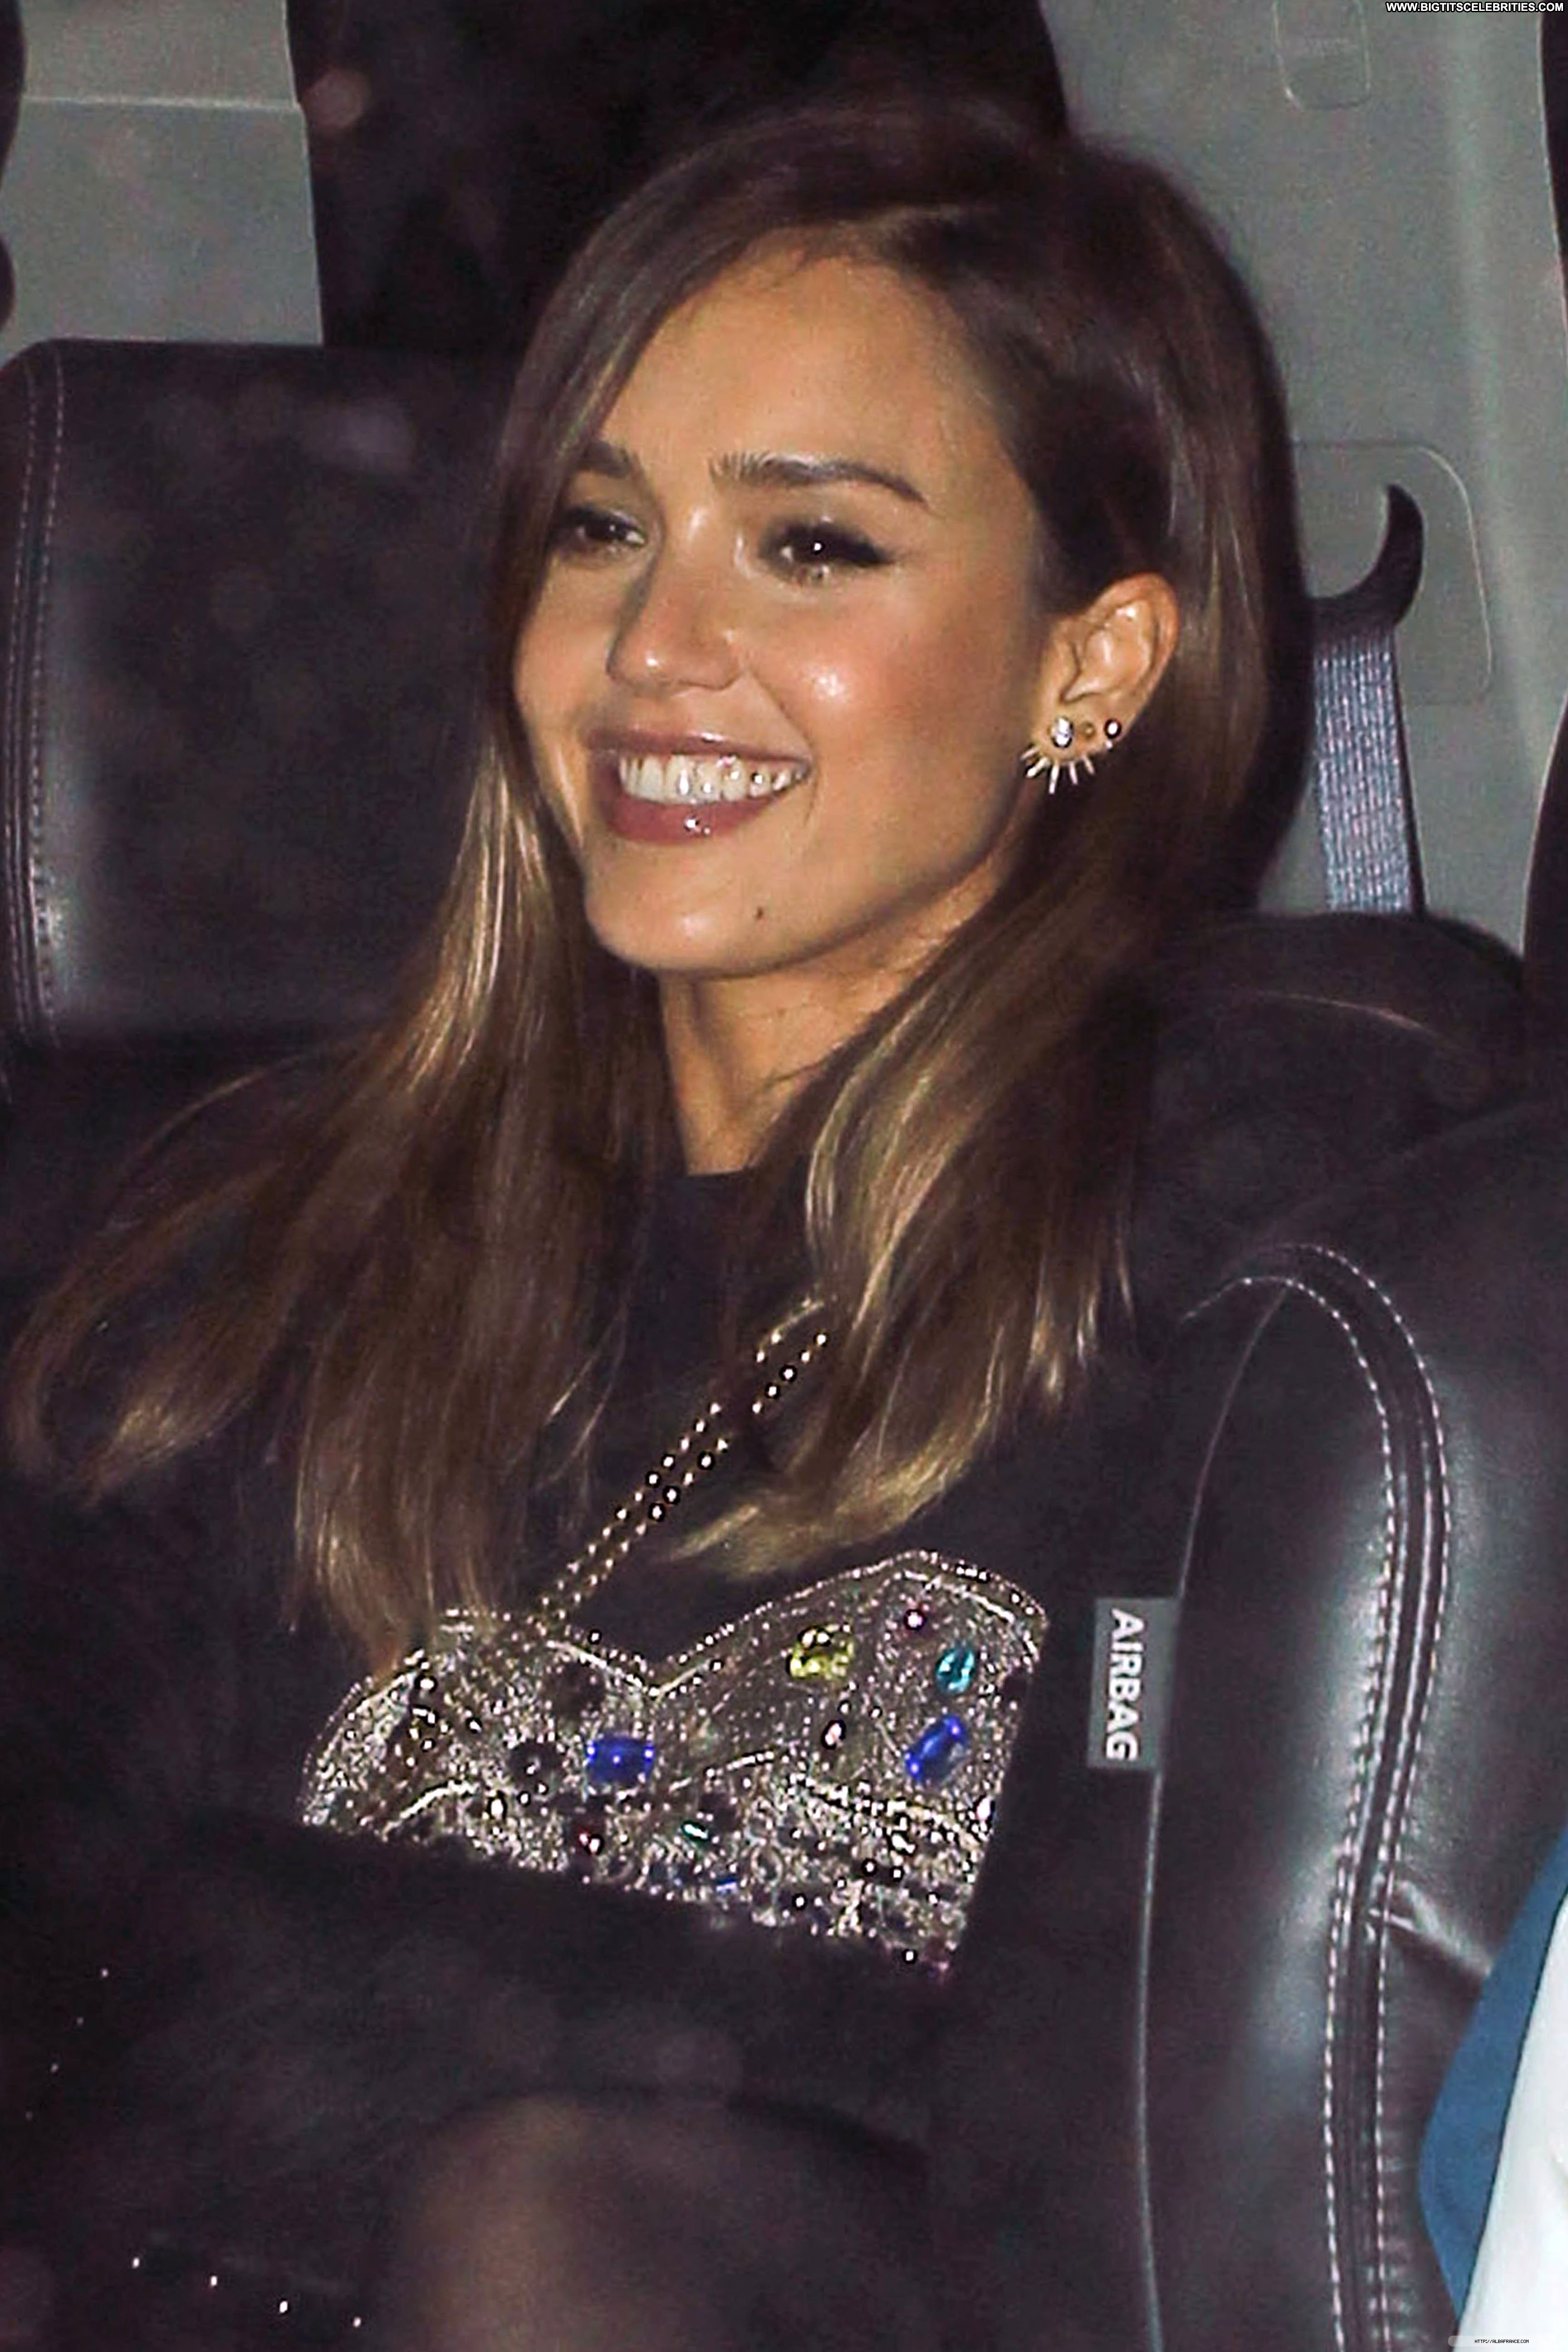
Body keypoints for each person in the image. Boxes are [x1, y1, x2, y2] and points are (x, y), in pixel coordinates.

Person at [0, 88, 1470, 2352]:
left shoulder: (1290, 1214)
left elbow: (1133, 2087)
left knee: (560, 2221)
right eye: (600, 529)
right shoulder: (260, 1252)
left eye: (812, 547)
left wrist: (284, 1982)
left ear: (1090, 663)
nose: (653, 646)